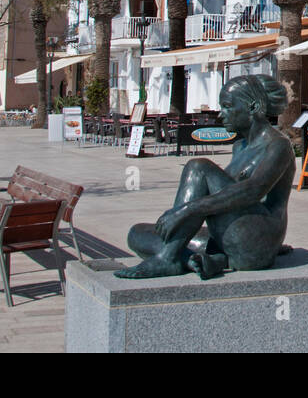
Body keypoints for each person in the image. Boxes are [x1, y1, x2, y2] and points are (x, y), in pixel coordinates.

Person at [116, 74, 295, 279]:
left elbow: (253, 190)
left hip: (257, 240)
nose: (221, 114)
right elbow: (224, 193)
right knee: (138, 233)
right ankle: (204, 259)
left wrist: (187, 210)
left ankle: (169, 258)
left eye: (227, 106)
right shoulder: (240, 146)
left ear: (253, 107)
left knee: (199, 167)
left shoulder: (278, 146)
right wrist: (183, 216)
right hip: (232, 235)